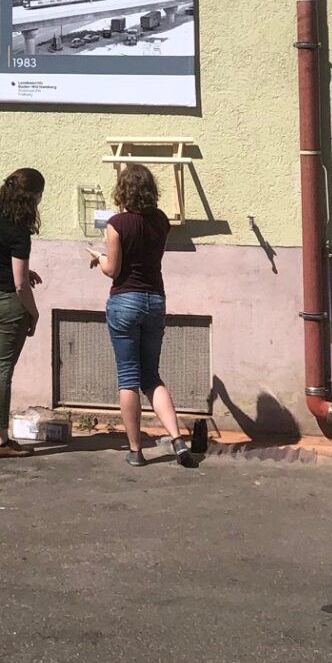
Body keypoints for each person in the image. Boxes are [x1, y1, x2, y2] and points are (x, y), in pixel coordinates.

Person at [89, 162, 199, 467]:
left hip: (125, 301)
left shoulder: (117, 223)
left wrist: (99, 257)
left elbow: (113, 270)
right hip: (155, 300)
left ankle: (136, 450)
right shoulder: (161, 221)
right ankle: (177, 439)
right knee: (151, 376)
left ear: (122, 191)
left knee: (128, 377)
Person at [0, 167, 45, 458]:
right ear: (32, 197)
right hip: (5, 303)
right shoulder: (19, 228)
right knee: (2, 368)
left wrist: (27, 272)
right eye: (40, 195)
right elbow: (19, 285)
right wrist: (34, 312)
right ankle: (1, 440)